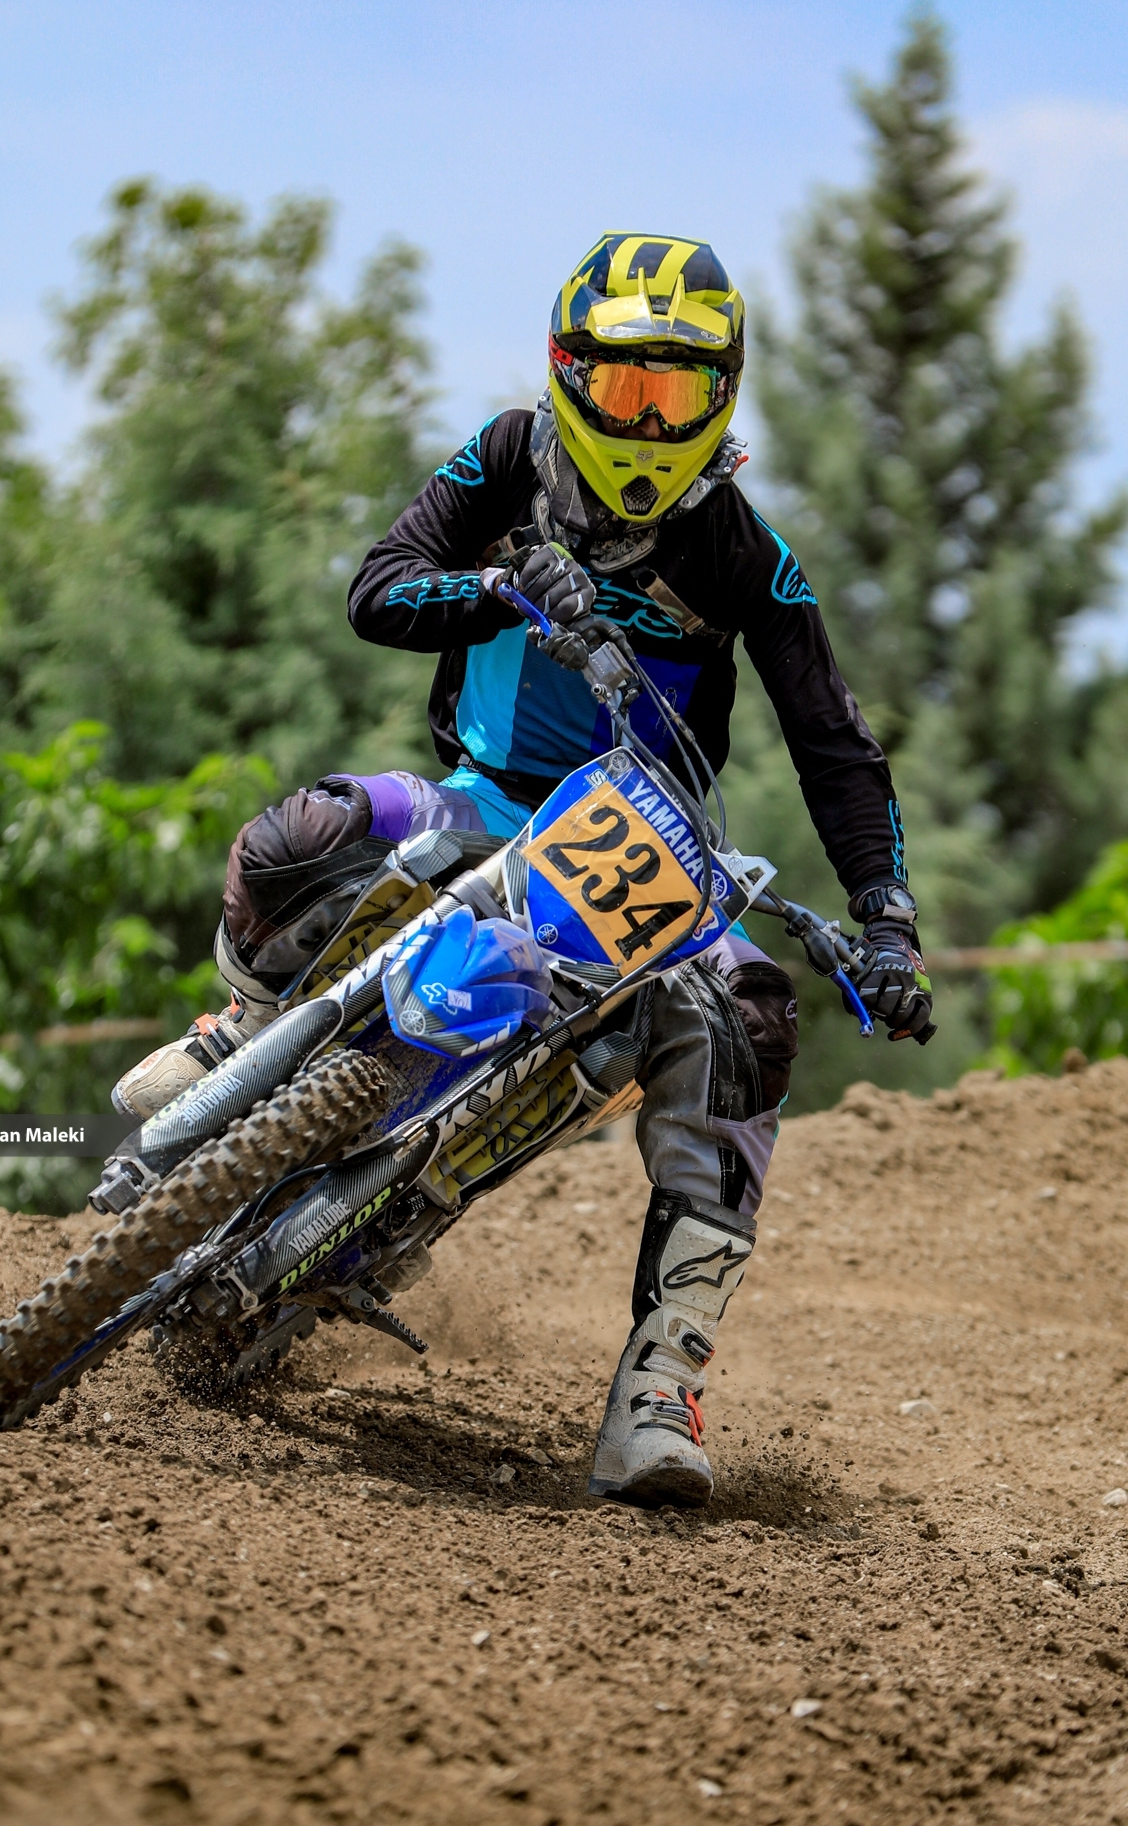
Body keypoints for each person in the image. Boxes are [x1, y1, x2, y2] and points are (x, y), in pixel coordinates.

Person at [113, 233, 934, 1508]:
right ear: (566, 371)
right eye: (624, 386)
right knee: (302, 834)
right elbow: (375, 592)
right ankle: (243, 1025)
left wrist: (885, 922)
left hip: (649, 843)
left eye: (675, 390)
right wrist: (501, 586)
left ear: (722, 395)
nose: (647, 421)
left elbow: (835, 744)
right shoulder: (509, 457)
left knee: (754, 1019)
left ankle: (663, 1377)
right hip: (486, 796)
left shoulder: (745, 555)